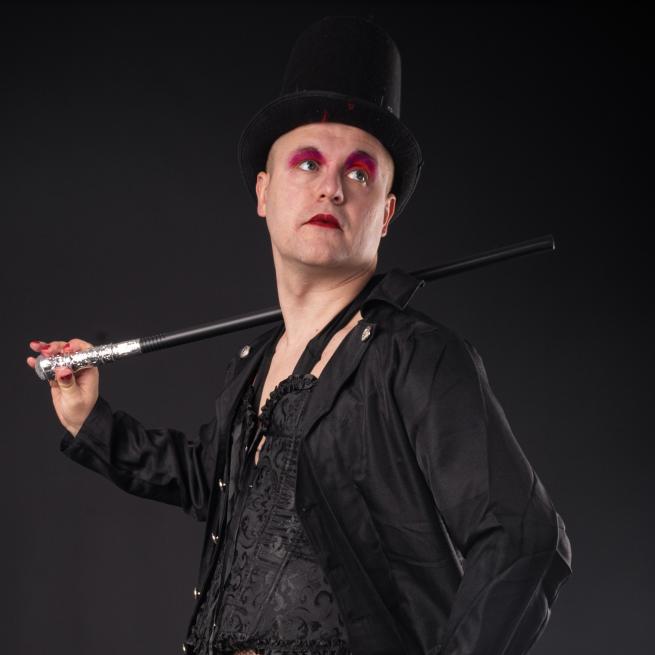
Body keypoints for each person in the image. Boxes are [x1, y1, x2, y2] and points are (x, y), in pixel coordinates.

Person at [26, 16, 572, 655]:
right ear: (264, 191)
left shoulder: (415, 358)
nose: (331, 186)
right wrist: (90, 421)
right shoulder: (256, 364)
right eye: (307, 161)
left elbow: (524, 539)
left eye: (361, 173)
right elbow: (217, 481)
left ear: (386, 213)